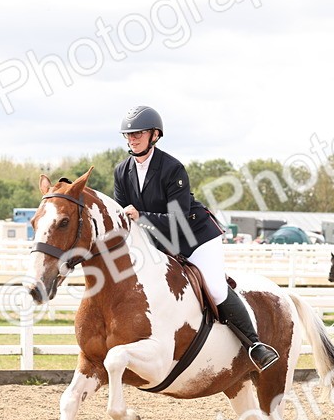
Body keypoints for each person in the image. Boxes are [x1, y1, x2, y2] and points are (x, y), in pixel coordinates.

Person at [113, 105, 279, 371]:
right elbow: (124, 218)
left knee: (214, 287)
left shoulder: (172, 168)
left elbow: (177, 219)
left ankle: (254, 345)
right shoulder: (122, 171)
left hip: (195, 236)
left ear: (155, 135)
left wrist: (141, 215)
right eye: (128, 134)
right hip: (158, 241)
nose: (132, 139)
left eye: (139, 133)